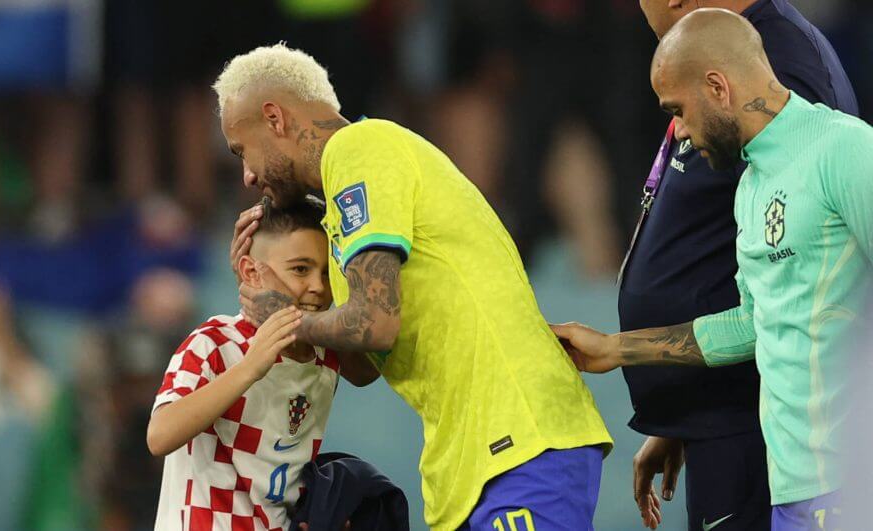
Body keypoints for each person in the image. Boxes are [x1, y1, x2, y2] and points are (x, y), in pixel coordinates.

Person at [217, 44, 613, 531]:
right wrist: (271, 277)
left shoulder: (358, 149)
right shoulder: (348, 209)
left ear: (274, 117)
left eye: (242, 150)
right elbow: (363, 365)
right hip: (472, 460)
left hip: (517, 439)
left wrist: (282, 319)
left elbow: (373, 324)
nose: (248, 174)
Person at [555, 8, 873, 531]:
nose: (678, 129)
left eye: (678, 109)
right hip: (791, 487)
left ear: (718, 88)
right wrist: (617, 349)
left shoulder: (843, 149)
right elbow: (753, 322)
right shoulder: (749, 187)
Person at [147, 196, 378, 531]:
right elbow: (160, 435)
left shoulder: (326, 357)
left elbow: (367, 373)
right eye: (300, 269)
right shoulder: (215, 341)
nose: (317, 286)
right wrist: (248, 368)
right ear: (250, 271)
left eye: (327, 273)